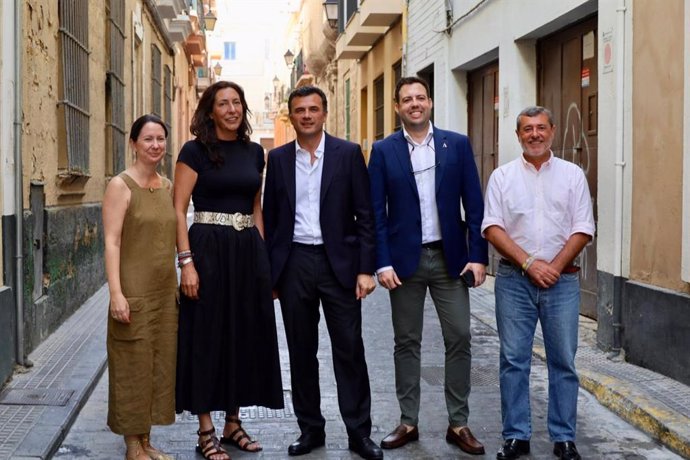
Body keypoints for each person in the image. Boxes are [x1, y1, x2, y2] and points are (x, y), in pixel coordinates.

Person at [368, 76, 488, 455]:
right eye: (407, 99)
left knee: (460, 337)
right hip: (404, 263)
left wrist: (478, 256)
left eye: (420, 97)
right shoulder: (384, 151)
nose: (415, 104)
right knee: (406, 342)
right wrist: (381, 261)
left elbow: (475, 203)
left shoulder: (457, 144)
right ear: (398, 107)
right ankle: (408, 421)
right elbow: (375, 214)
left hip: (450, 259)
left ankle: (459, 422)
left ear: (430, 103)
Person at [262, 86, 382, 460]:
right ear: (291, 116)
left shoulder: (347, 155)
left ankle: (359, 433)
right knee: (301, 351)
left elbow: (366, 215)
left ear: (324, 113)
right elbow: (272, 217)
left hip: (340, 265)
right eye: (300, 110)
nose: (308, 115)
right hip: (295, 262)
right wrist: (272, 274)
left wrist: (366, 269)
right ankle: (310, 428)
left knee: (349, 349)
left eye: (314, 109)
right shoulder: (278, 159)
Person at [173, 81, 284, 460]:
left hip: (246, 250)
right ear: (211, 110)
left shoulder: (255, 153)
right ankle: (205, 428)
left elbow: (256, 207)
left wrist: (264, 259)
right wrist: (186, 263)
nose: (232, 109)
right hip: (207, 248)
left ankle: (232, 422)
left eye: (237, 102)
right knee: (207, 333)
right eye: (224, 103)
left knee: (243, 332)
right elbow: (177, 209)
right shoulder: (195, 150)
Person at [481, 106, 595, 460]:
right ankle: (516, 436)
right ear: (518, 136)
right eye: (527, 129)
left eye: (541, 128)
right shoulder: (502, 177)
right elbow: (492, 227)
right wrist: (530, 264)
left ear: (553, 131)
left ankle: (564, 439)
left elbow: (583, 228)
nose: (534, 134)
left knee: (563, 361)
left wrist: (554, 268)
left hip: (563, 284)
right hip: (514, 281)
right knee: (514, 360)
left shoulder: (573, 175)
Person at [103, 114, 177, 460]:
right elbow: (112, 241)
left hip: (164, 295)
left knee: (157, 367)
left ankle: (146, 441)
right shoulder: (120, 185)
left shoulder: (166, 186)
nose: (155, 145)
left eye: (160, 138)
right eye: (147, 139)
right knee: (132, 366)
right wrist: (116, 293)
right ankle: (132, 445)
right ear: (133, 143)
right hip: (133, 293)